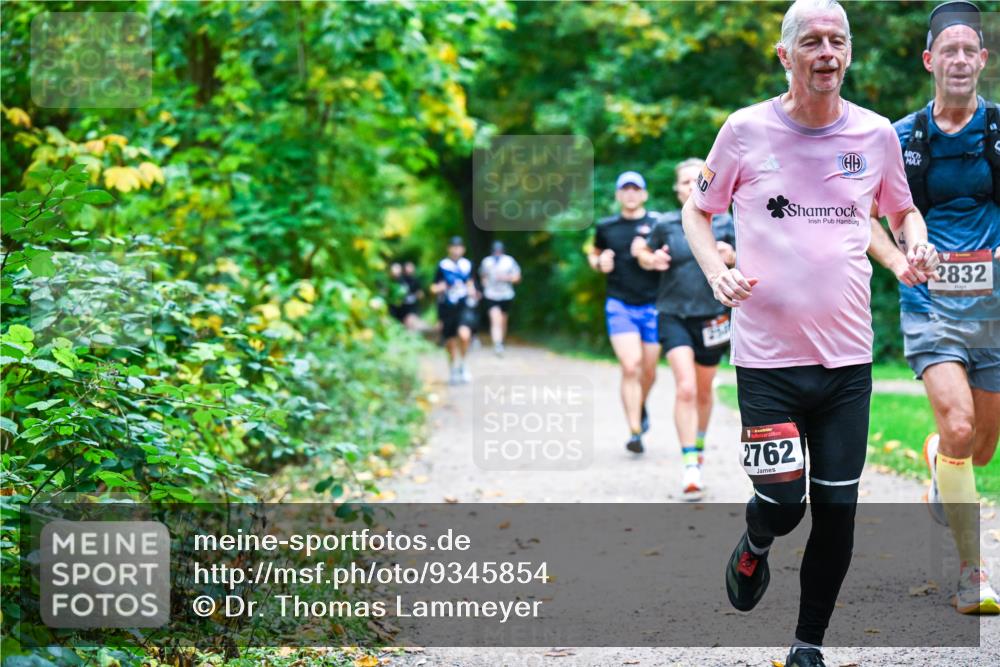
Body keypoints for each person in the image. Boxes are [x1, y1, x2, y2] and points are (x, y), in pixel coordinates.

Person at [681, 2, 937, 665]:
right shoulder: (743, 131)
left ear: (849, 54)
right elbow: (697, 209)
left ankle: (807, 644)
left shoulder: (875, 134)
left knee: (838, 510)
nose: (827, 52)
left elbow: (900, 208)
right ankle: (757, 541)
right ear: (784, 54)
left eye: (838, 41)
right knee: (785, 502)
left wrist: (916, 243)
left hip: (848, 362)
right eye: (813, 41)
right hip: (766, 361)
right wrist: (715, 271)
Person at [867, 0, 1000, 614]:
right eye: (948, 49)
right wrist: (899, 259)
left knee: (981, 447)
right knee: (961, 427)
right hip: (930, 304)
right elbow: (862, 216)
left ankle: (936, 464)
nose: (959, 59)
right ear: (929, 60)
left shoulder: (998, 131)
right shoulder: (900, 138)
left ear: (983, 59)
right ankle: (973, 575)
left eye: (969, 49)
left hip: (994, 308)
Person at [633, 158, 736, 500]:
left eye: (697, 180)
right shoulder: (666, 223)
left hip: (713, 317)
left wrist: (731, 255)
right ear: (677, 189)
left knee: (705, 392)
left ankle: (699, 444)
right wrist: (650, 260)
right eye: (684, 182)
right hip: (672, 313)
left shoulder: (725, 223)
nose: (691, 187)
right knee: (686, 388)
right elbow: (642, 251)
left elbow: (750, 257)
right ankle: (690, 463)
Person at [588, 171, 661, 454]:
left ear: (644, 194)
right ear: (618, 195)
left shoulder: (657, 224)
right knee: (631, 366)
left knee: (650, 371)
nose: (630, 194)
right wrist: (598, 263)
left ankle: (639, 405)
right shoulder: (606, 227)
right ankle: (634, 431)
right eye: (625, 189)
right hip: (619, 304)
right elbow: (594, 253)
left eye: (636, 189)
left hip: (654, 304)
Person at [431, 236, 477, 385]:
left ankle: (463, 364)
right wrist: (441, 288)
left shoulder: (467, 265)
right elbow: (433, 287)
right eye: (453, 247)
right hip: (447, 307)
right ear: (449, 248)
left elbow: (472, 283)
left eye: (459, 247)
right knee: (450, 341)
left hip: (463, 306)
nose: (456, 250)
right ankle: (453, 369)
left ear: (463, 249)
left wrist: (472, 290)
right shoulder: (442, 266)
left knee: (464, 335)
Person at [479, 241, 522, 356]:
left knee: (503, 320)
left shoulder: (509, 261)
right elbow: (483, 276)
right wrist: (485, 286)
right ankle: (497, 344)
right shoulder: (486, 262)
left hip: (506, 295)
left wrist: (506, 278)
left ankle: (501, 342)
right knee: (495, 319)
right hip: (491, 295)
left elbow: (517, 278)